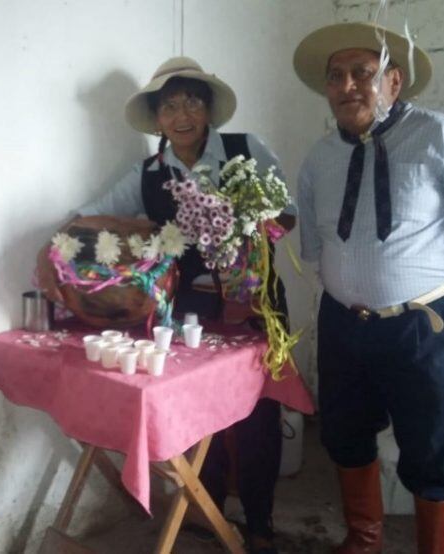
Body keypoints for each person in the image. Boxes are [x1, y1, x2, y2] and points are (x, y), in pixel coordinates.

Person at [39, 56, 296, 554]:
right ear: (157, 119)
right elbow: (90, 213)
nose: (182, 115)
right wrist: (48, 251)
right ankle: (210, 511)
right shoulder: (148, 172)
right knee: (202, 409)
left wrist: (242, 230)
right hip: (190, 307)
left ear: (209, 110)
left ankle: (261, 522)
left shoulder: (246, 150)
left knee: (257, 414)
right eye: (170, 106)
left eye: (192, 102)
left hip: (253, 301)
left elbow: (287, 214)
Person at [294, 22, 444, 553]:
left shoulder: (443, 137)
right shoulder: (319, 158)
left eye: (362, 73)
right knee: (344, 435)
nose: (348, 86)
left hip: (424, 326)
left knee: (433, 451)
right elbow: (316, 251)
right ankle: (363, 540)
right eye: (336, 76)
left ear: (393, 81)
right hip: (344, 326)